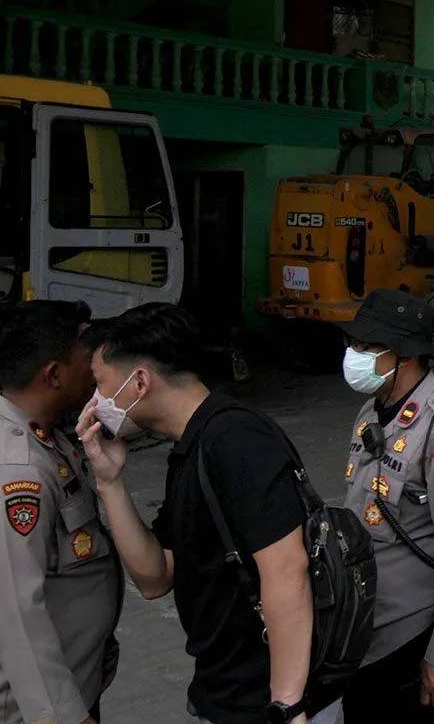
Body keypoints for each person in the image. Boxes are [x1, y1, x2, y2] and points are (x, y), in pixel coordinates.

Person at [74, 303, 335, 724]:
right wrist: (109, 482)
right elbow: (155, 577)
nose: (95, 401)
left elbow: (286, 569)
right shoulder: (192, 447)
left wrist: (287, 704)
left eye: (101, 384)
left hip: (265, 705)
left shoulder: (235, 440)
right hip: (222, 691)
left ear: (139, 381)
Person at [0, 300, 120, 724]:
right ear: (53, 374)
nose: (94, 368)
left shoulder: (46, 440)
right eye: (84, 357)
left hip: (63, 692)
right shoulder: (10, 476)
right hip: (20, 710)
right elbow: (15, 617)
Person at [338, 290, 434, 723]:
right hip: (366, 627)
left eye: (368, 348)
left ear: (404, 357)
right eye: (354, 344)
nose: (354, 355)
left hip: (411, 634)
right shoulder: (373, 412)